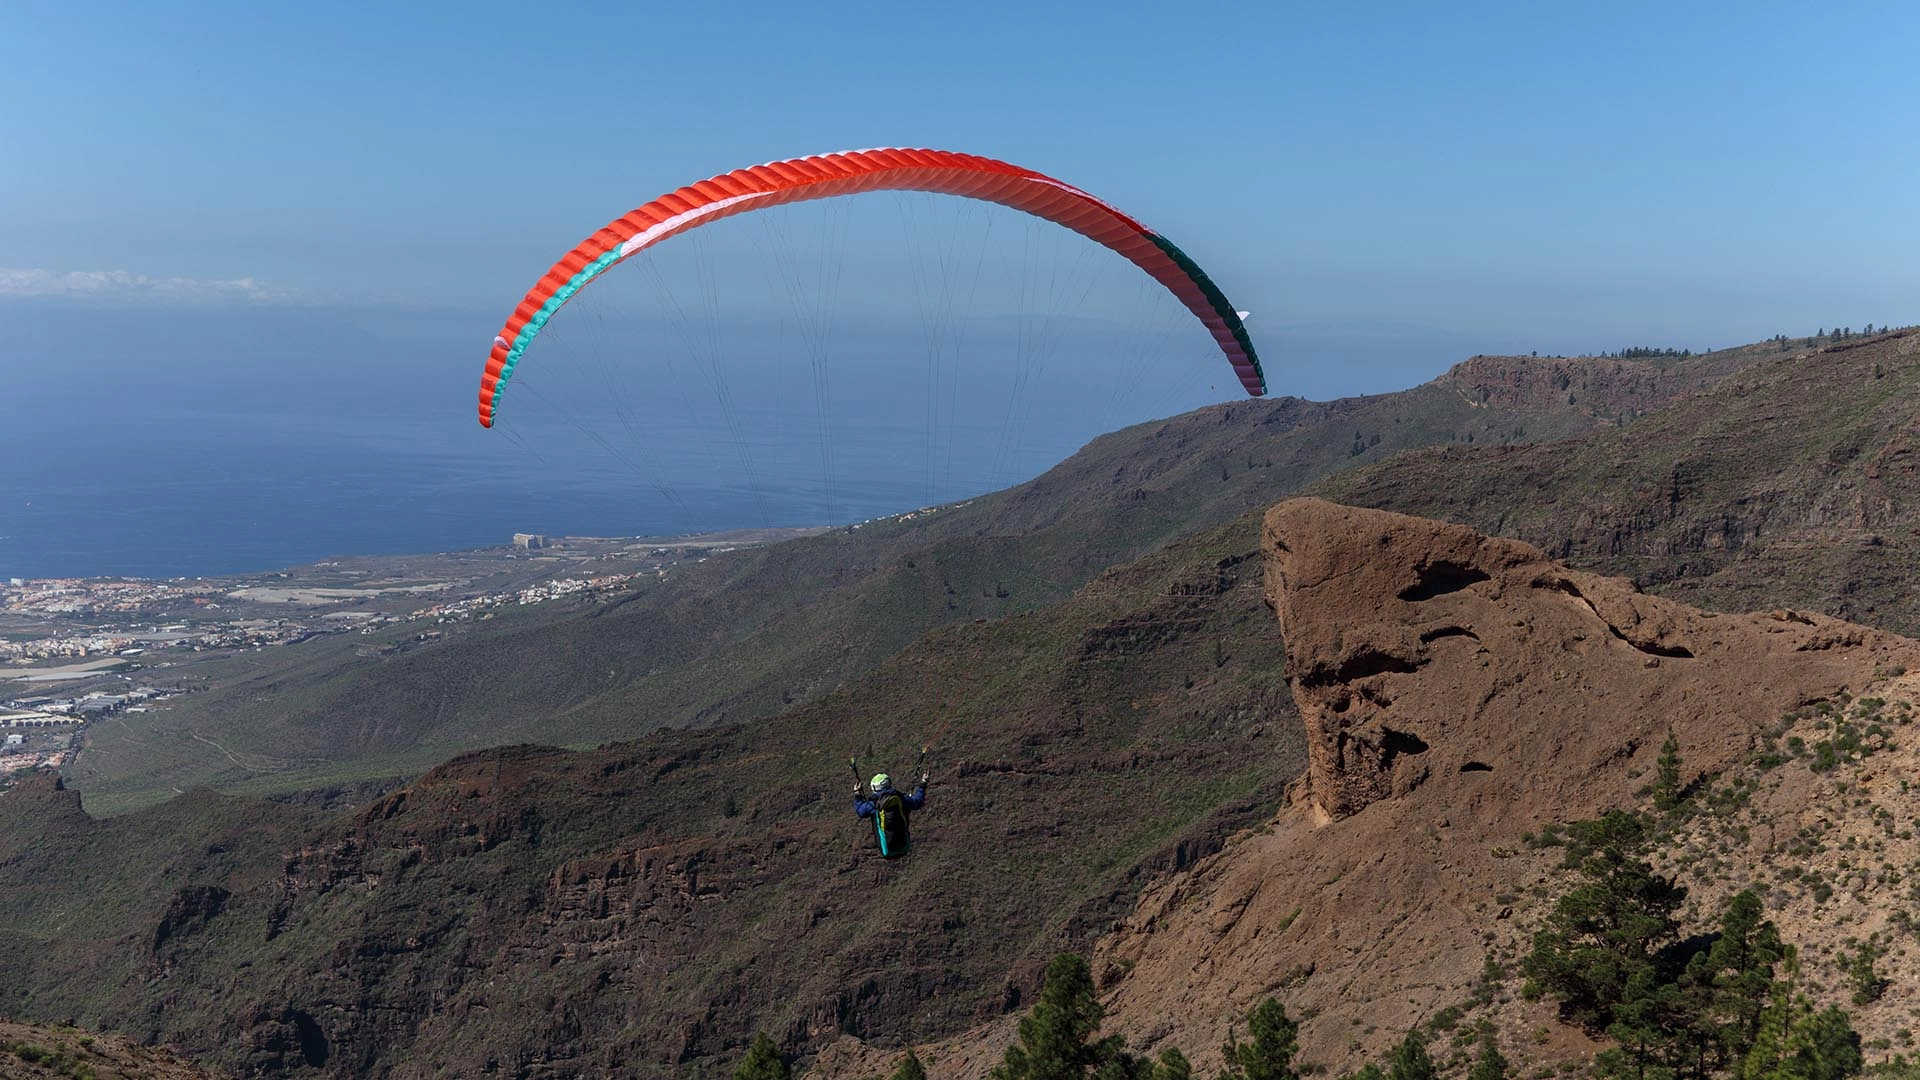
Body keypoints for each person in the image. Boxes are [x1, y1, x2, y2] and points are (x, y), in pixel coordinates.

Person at [853, 770, 927, 858]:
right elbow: (917, 802)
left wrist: (857, 794)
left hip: (887, 851)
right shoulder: (900, 798)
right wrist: (923, 783)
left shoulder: (874, 804)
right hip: (904, 848)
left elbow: (861, 812)